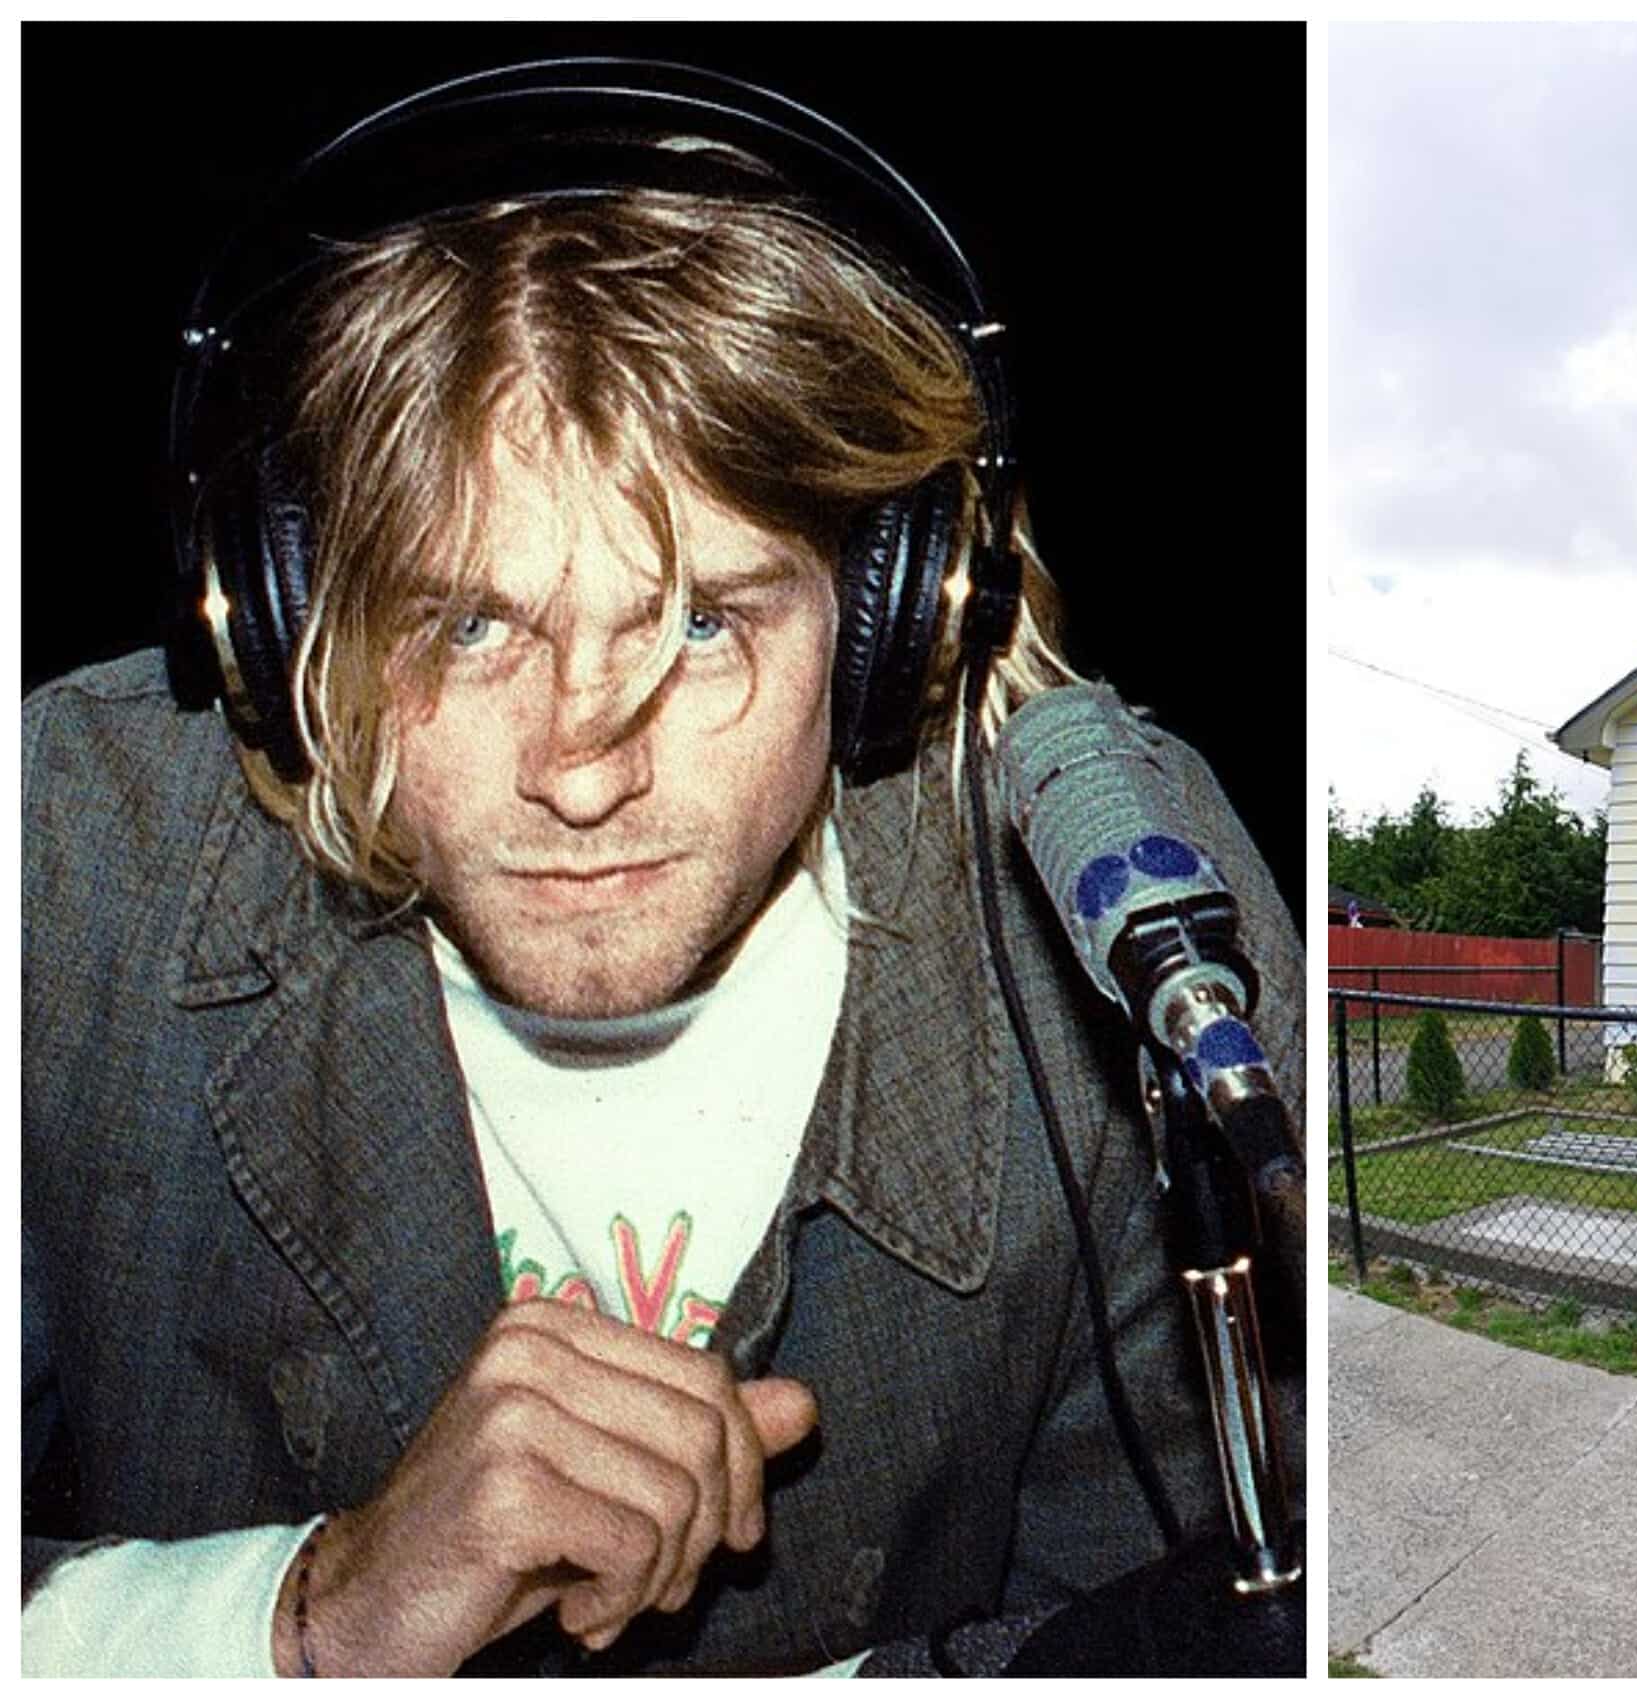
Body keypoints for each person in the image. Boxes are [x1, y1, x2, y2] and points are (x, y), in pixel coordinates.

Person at [19, 61, 1302, 1678]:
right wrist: (307, 1621)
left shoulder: (1122, 891)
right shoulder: (66, 849)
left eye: (704, 622)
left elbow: (1200, 1612)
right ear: (279, 623)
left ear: (898, 606)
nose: (582, 771)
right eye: (469, 621)